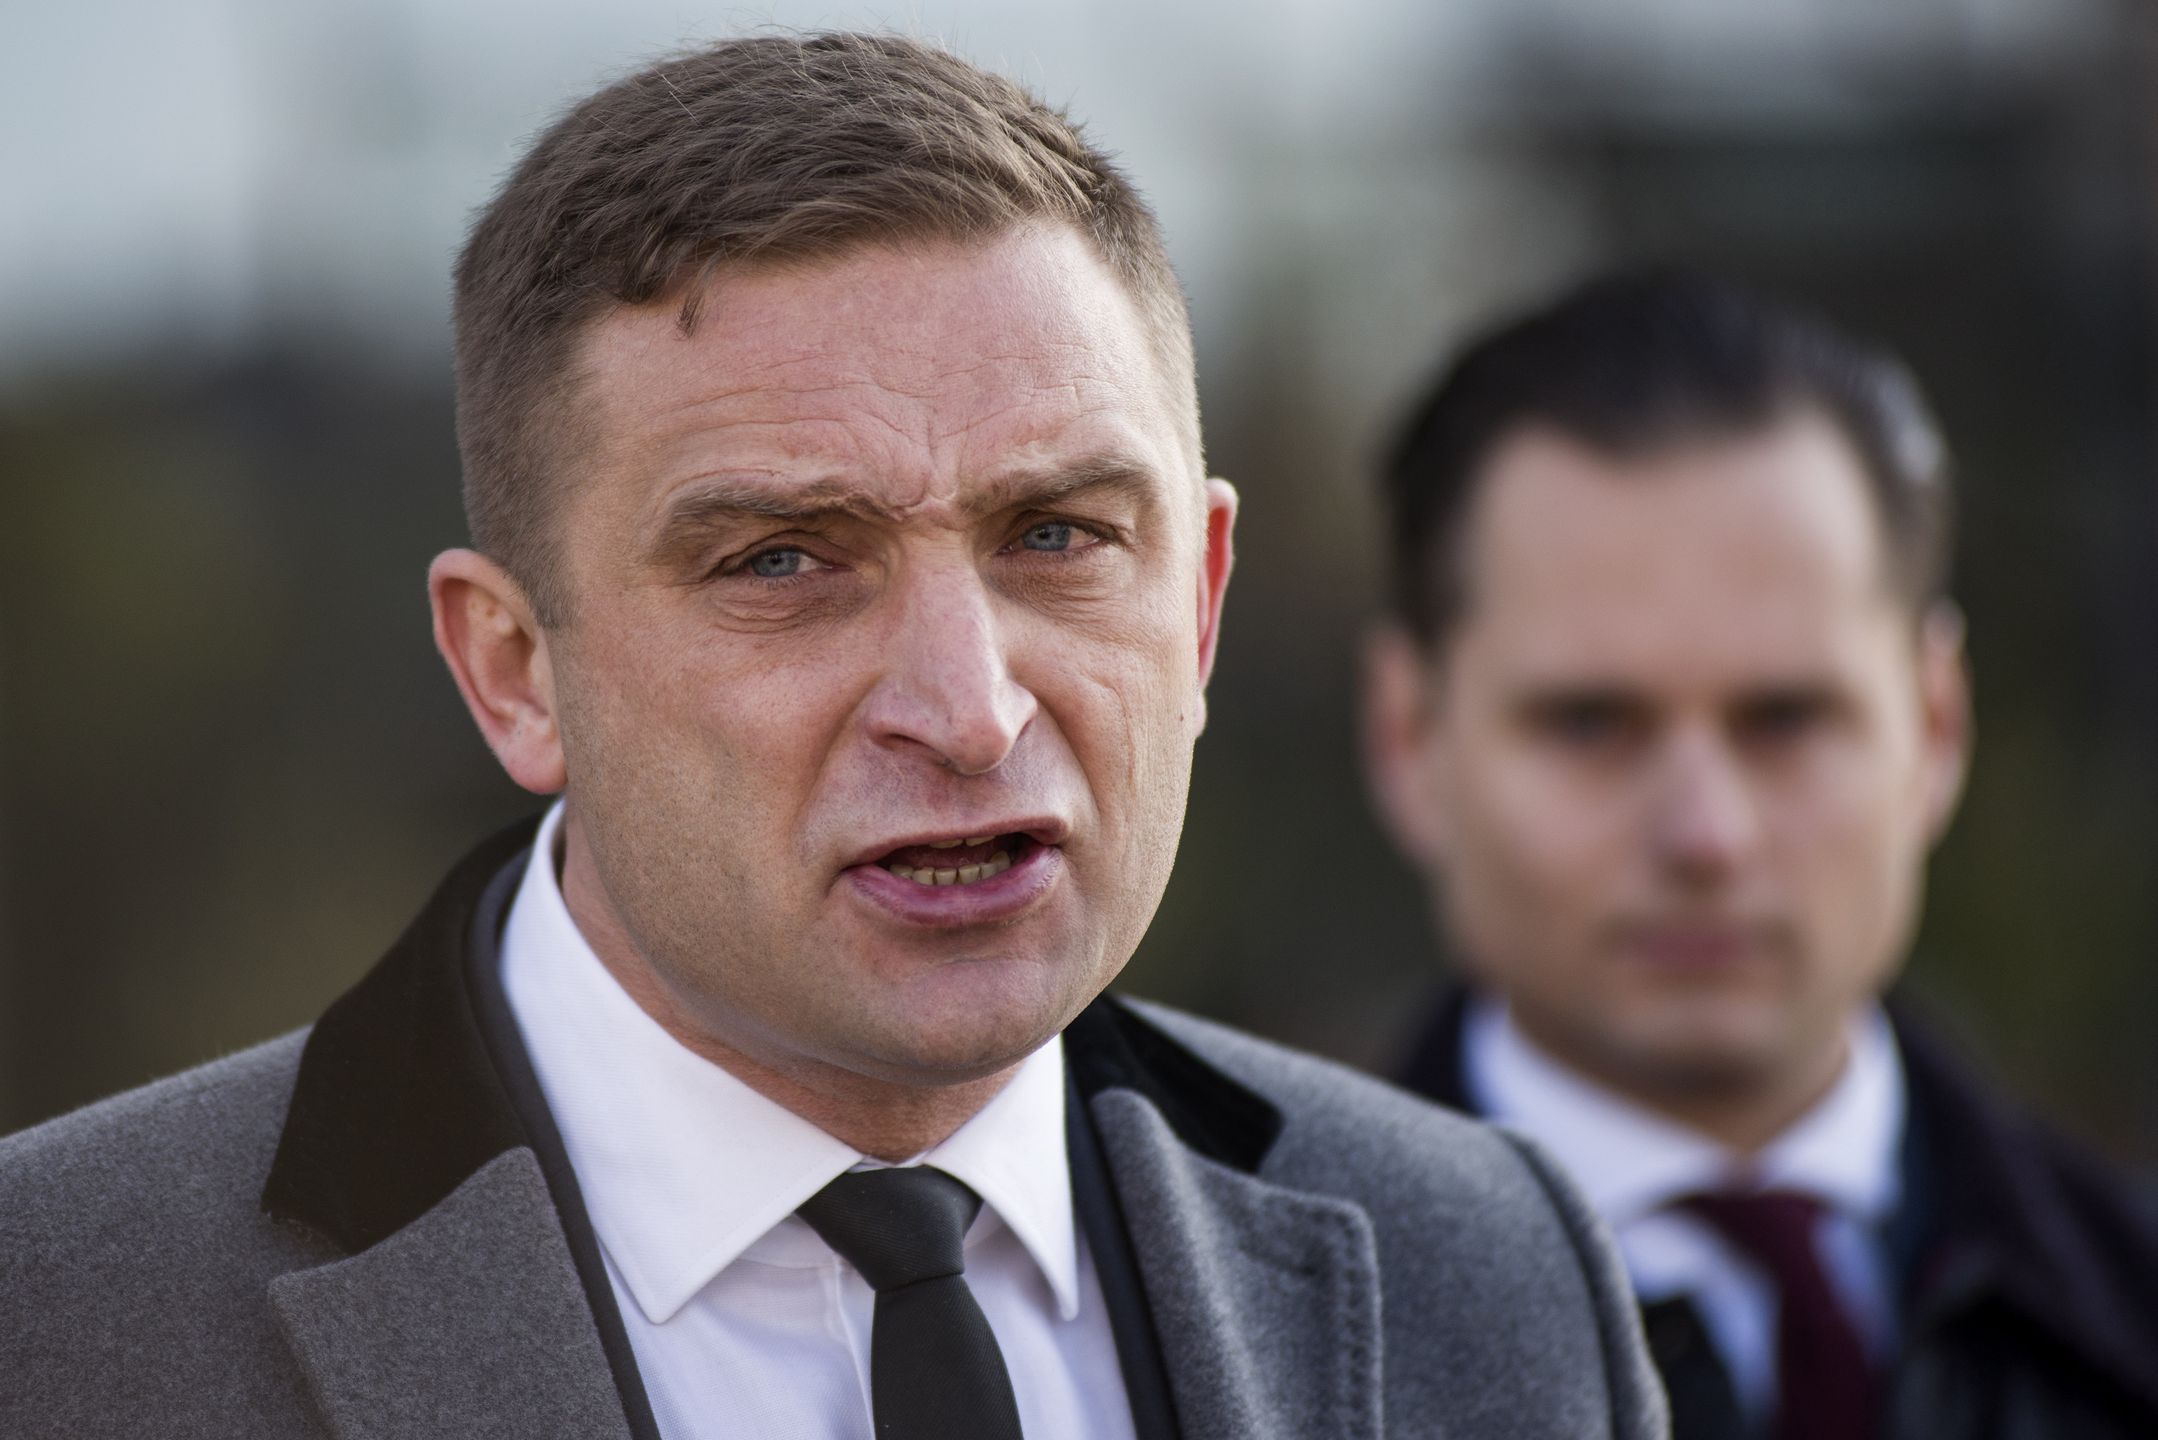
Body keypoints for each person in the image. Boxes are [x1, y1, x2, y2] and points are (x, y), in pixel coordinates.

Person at [0, 34, 1665, 1440]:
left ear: (1202, 602)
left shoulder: (1485, 1271)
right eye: (782, 562)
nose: (969, 709)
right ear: (514, 672)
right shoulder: (57, 1321)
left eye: (1059, 536)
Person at [1362, 268, 2158, 1440]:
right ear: (1410, 737)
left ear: (1935, 727)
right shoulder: (1191, 1363)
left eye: (1785, 720)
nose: (1707, 835)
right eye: (1590, 724)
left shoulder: (2126, 1311)